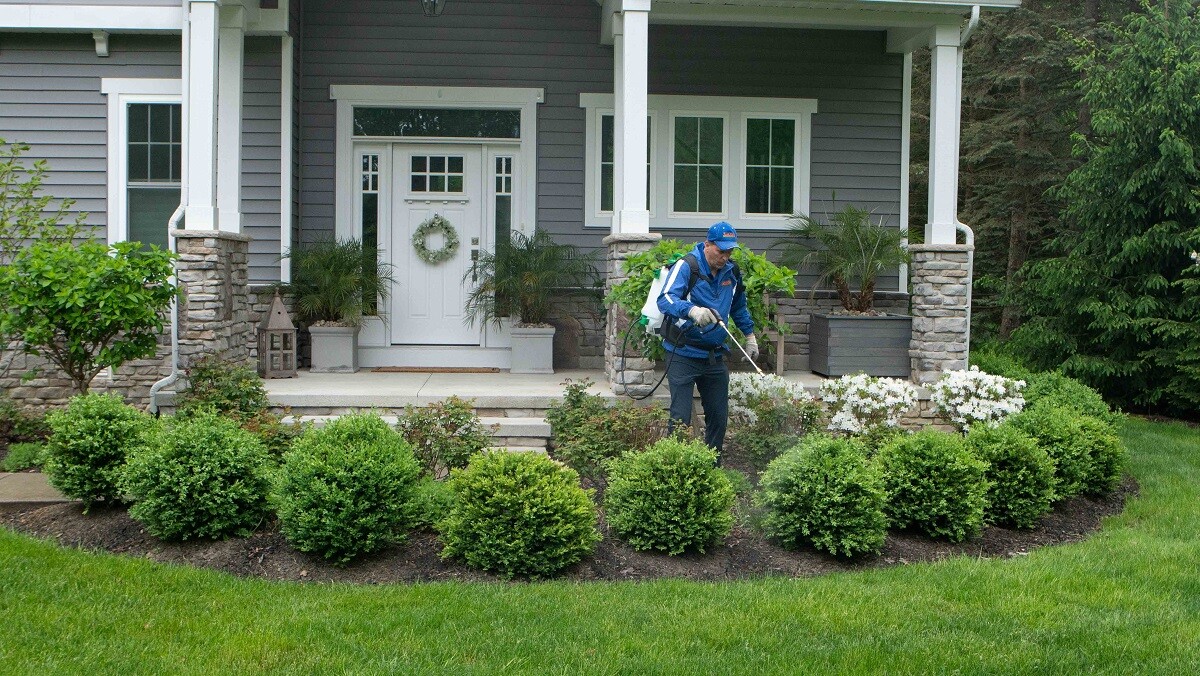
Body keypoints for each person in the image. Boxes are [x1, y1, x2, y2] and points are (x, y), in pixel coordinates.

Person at [656, 222, 757, 461]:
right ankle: (676, 471)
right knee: (680, 418)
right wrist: (692, 311)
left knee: (719, 418)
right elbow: (665, 299)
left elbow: (739, 306)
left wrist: (750, 336)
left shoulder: (731, 272)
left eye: (729, 252)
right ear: (707, 244)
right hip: (682, 353)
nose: (725, 257)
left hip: (714, 355)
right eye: (720, 251)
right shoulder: (686, 266)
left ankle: (712, 470)